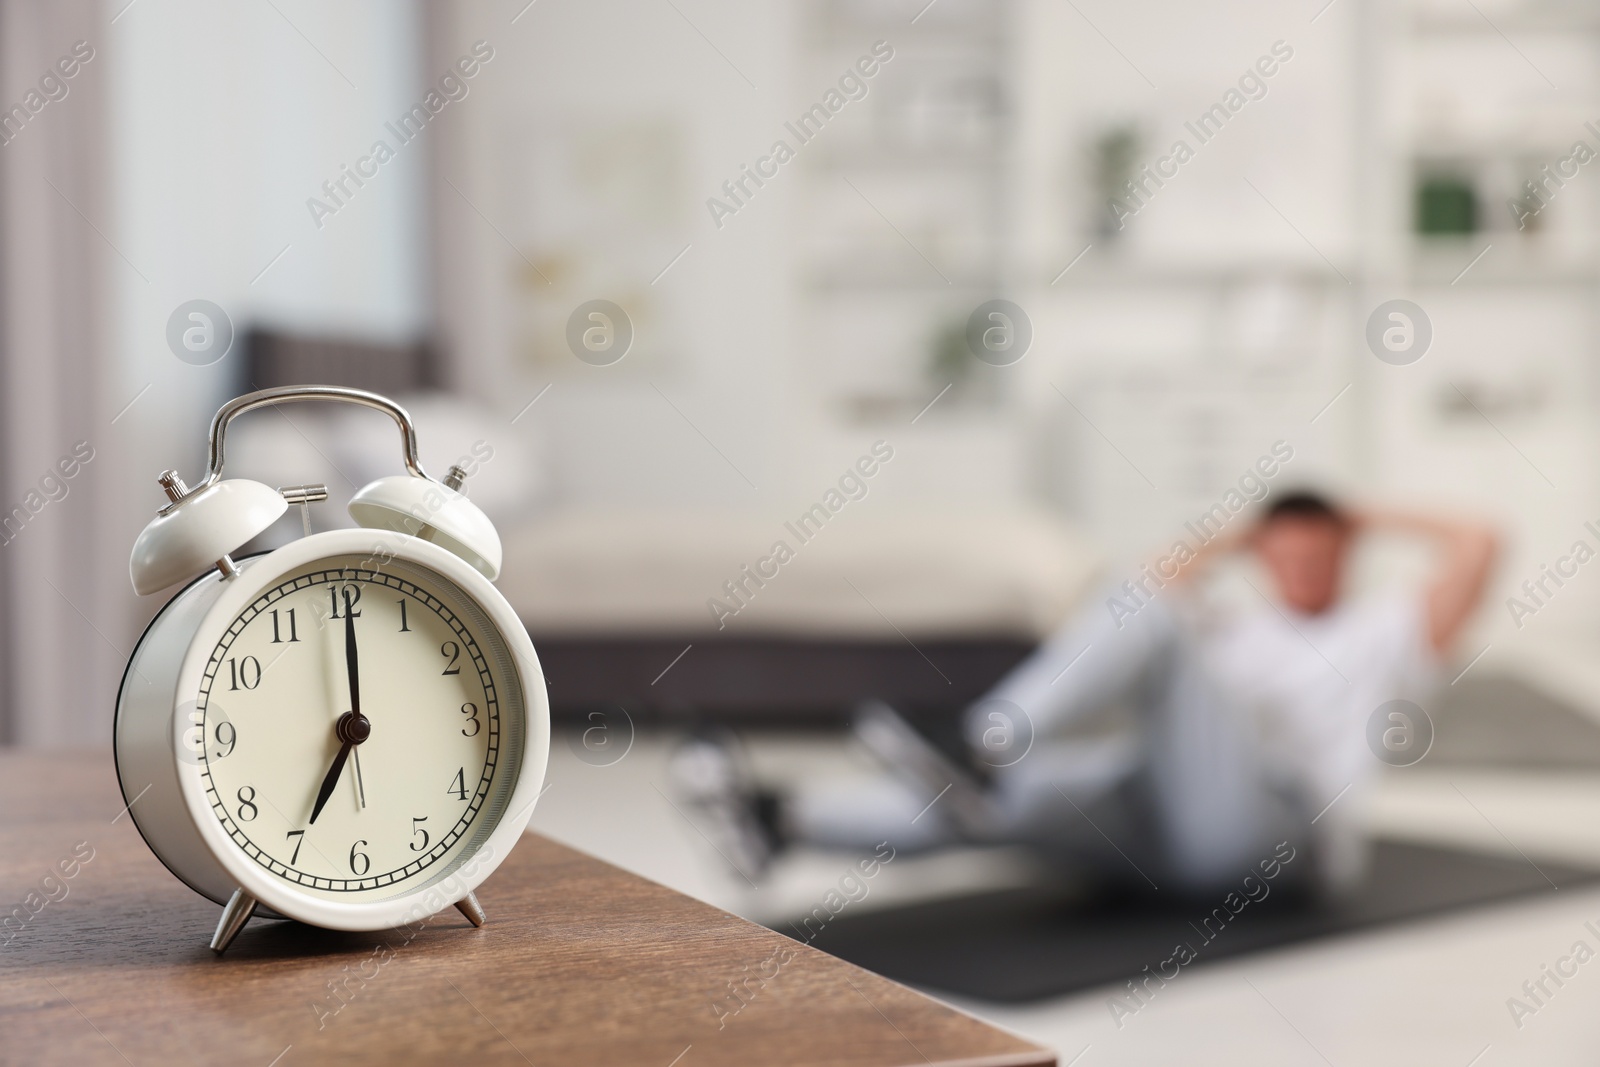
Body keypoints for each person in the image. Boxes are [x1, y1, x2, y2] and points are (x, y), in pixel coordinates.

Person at [673, 492, 1498, 898]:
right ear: (1264, 557)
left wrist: (1355, 513)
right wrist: (1246, 530)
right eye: (1287, 554)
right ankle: (780, 820)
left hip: (1279, 837)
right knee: (993, 801)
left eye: (1321, 555)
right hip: (1165, 821)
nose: (1304, 569)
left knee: (1156, 623)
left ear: (1346, 553)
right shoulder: (1237, 624)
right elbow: (1142, 585)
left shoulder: (1386, 629)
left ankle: (985, 739)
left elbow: (1482, 541)